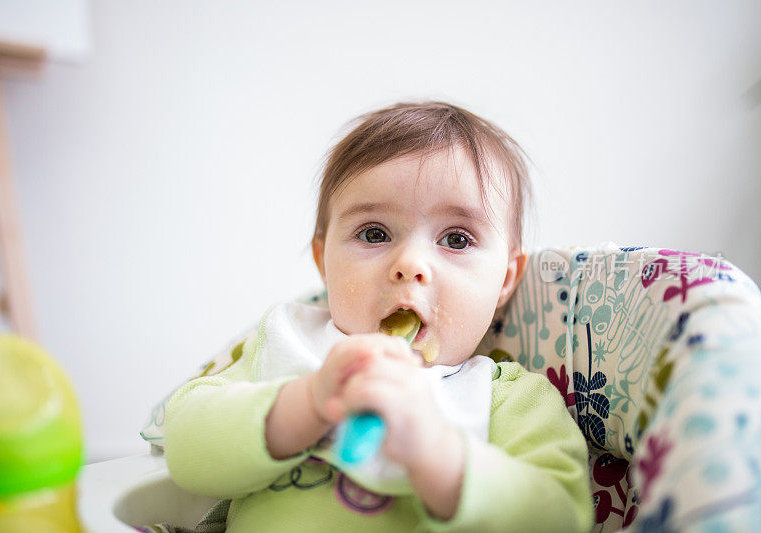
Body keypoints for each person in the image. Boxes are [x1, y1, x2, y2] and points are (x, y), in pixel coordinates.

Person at [164, 101, 594, 532]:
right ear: (323, 261)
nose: (410, 263)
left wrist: (437, 454)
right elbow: (183, 448)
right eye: (374, 233)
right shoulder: (287, 345)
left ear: (504, 278)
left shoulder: (507, 399)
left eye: (457, 239)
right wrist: (307, 404)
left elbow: (563, 517)